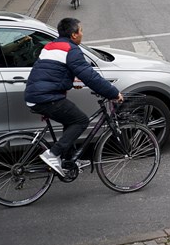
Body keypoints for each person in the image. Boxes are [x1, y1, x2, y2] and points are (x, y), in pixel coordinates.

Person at [25, 18, 123, 176]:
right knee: (81, 120)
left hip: (36, 95)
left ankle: (69, 160)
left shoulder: (51, 46)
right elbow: (90, 75)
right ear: (73, 35)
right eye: (81, 30)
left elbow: (52, 72)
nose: (82, 33)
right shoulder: (71, 50)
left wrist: (71, 80)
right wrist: (113, 93)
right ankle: (52, 154)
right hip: (47, 97)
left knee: (69, 120)